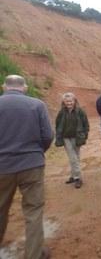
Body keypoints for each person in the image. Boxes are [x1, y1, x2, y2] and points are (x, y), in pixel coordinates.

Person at [0, 75, 53, 259]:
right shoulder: (37, 105)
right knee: (33, 211)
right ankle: (34, 254)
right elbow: (48, 135)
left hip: (2, 167)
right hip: (32, 165)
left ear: (4, 87)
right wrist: (37, 153)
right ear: (24, 87)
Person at [55, 92, 89, 189]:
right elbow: (58, 125)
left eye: (70, 101)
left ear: (74, 101)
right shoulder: (61, 112)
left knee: (76, 157)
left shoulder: (80, 111)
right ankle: (78, 178)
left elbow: (86, 124)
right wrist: (58, 136)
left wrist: (85, 135)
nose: (69, 103)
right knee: (73, 157)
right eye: (67, 101)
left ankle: (73, 175)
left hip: (77, 137)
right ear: (64, 102)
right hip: (66, 138)